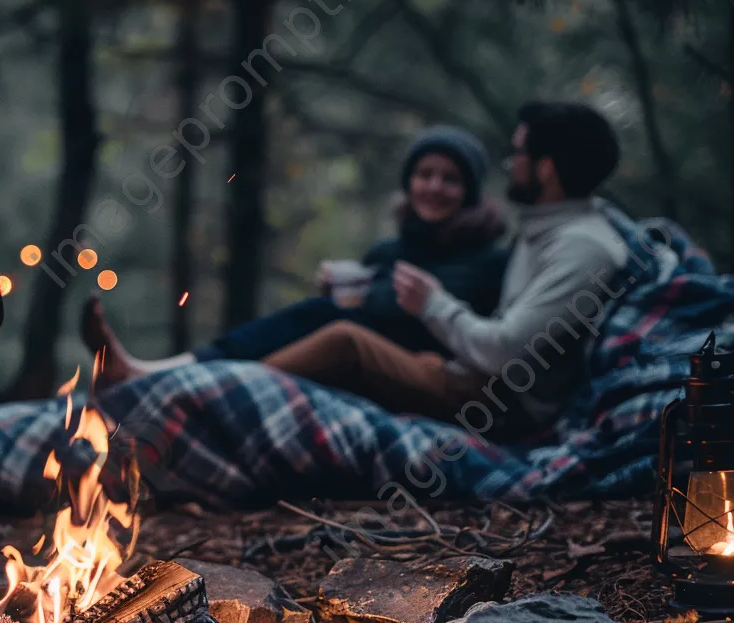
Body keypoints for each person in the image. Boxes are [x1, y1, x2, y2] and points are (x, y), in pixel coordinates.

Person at [260, 101, 629, 433]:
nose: (509, 164)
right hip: (467, 375)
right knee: (323, 321)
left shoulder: (582, 248)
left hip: (499, 403)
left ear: (545, 168)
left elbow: (503, 352)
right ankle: (223, 381)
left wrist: (432, 302)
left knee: (347, 343)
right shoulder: (547, 229)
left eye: (518, 153)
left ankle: (220, 392)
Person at [81, 126, 509, 385]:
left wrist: (428, 303)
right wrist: (342, 293)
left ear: (470, 192)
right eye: (424, 175)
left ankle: (177, 377)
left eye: (450, 179)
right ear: (409, 181)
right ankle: (161, 371)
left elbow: (475, 340)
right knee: (319, 312)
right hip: (344, 361)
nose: (433, 187)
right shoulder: (389, 252)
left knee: (331, 322)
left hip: (413, 376)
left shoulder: (487, 260)